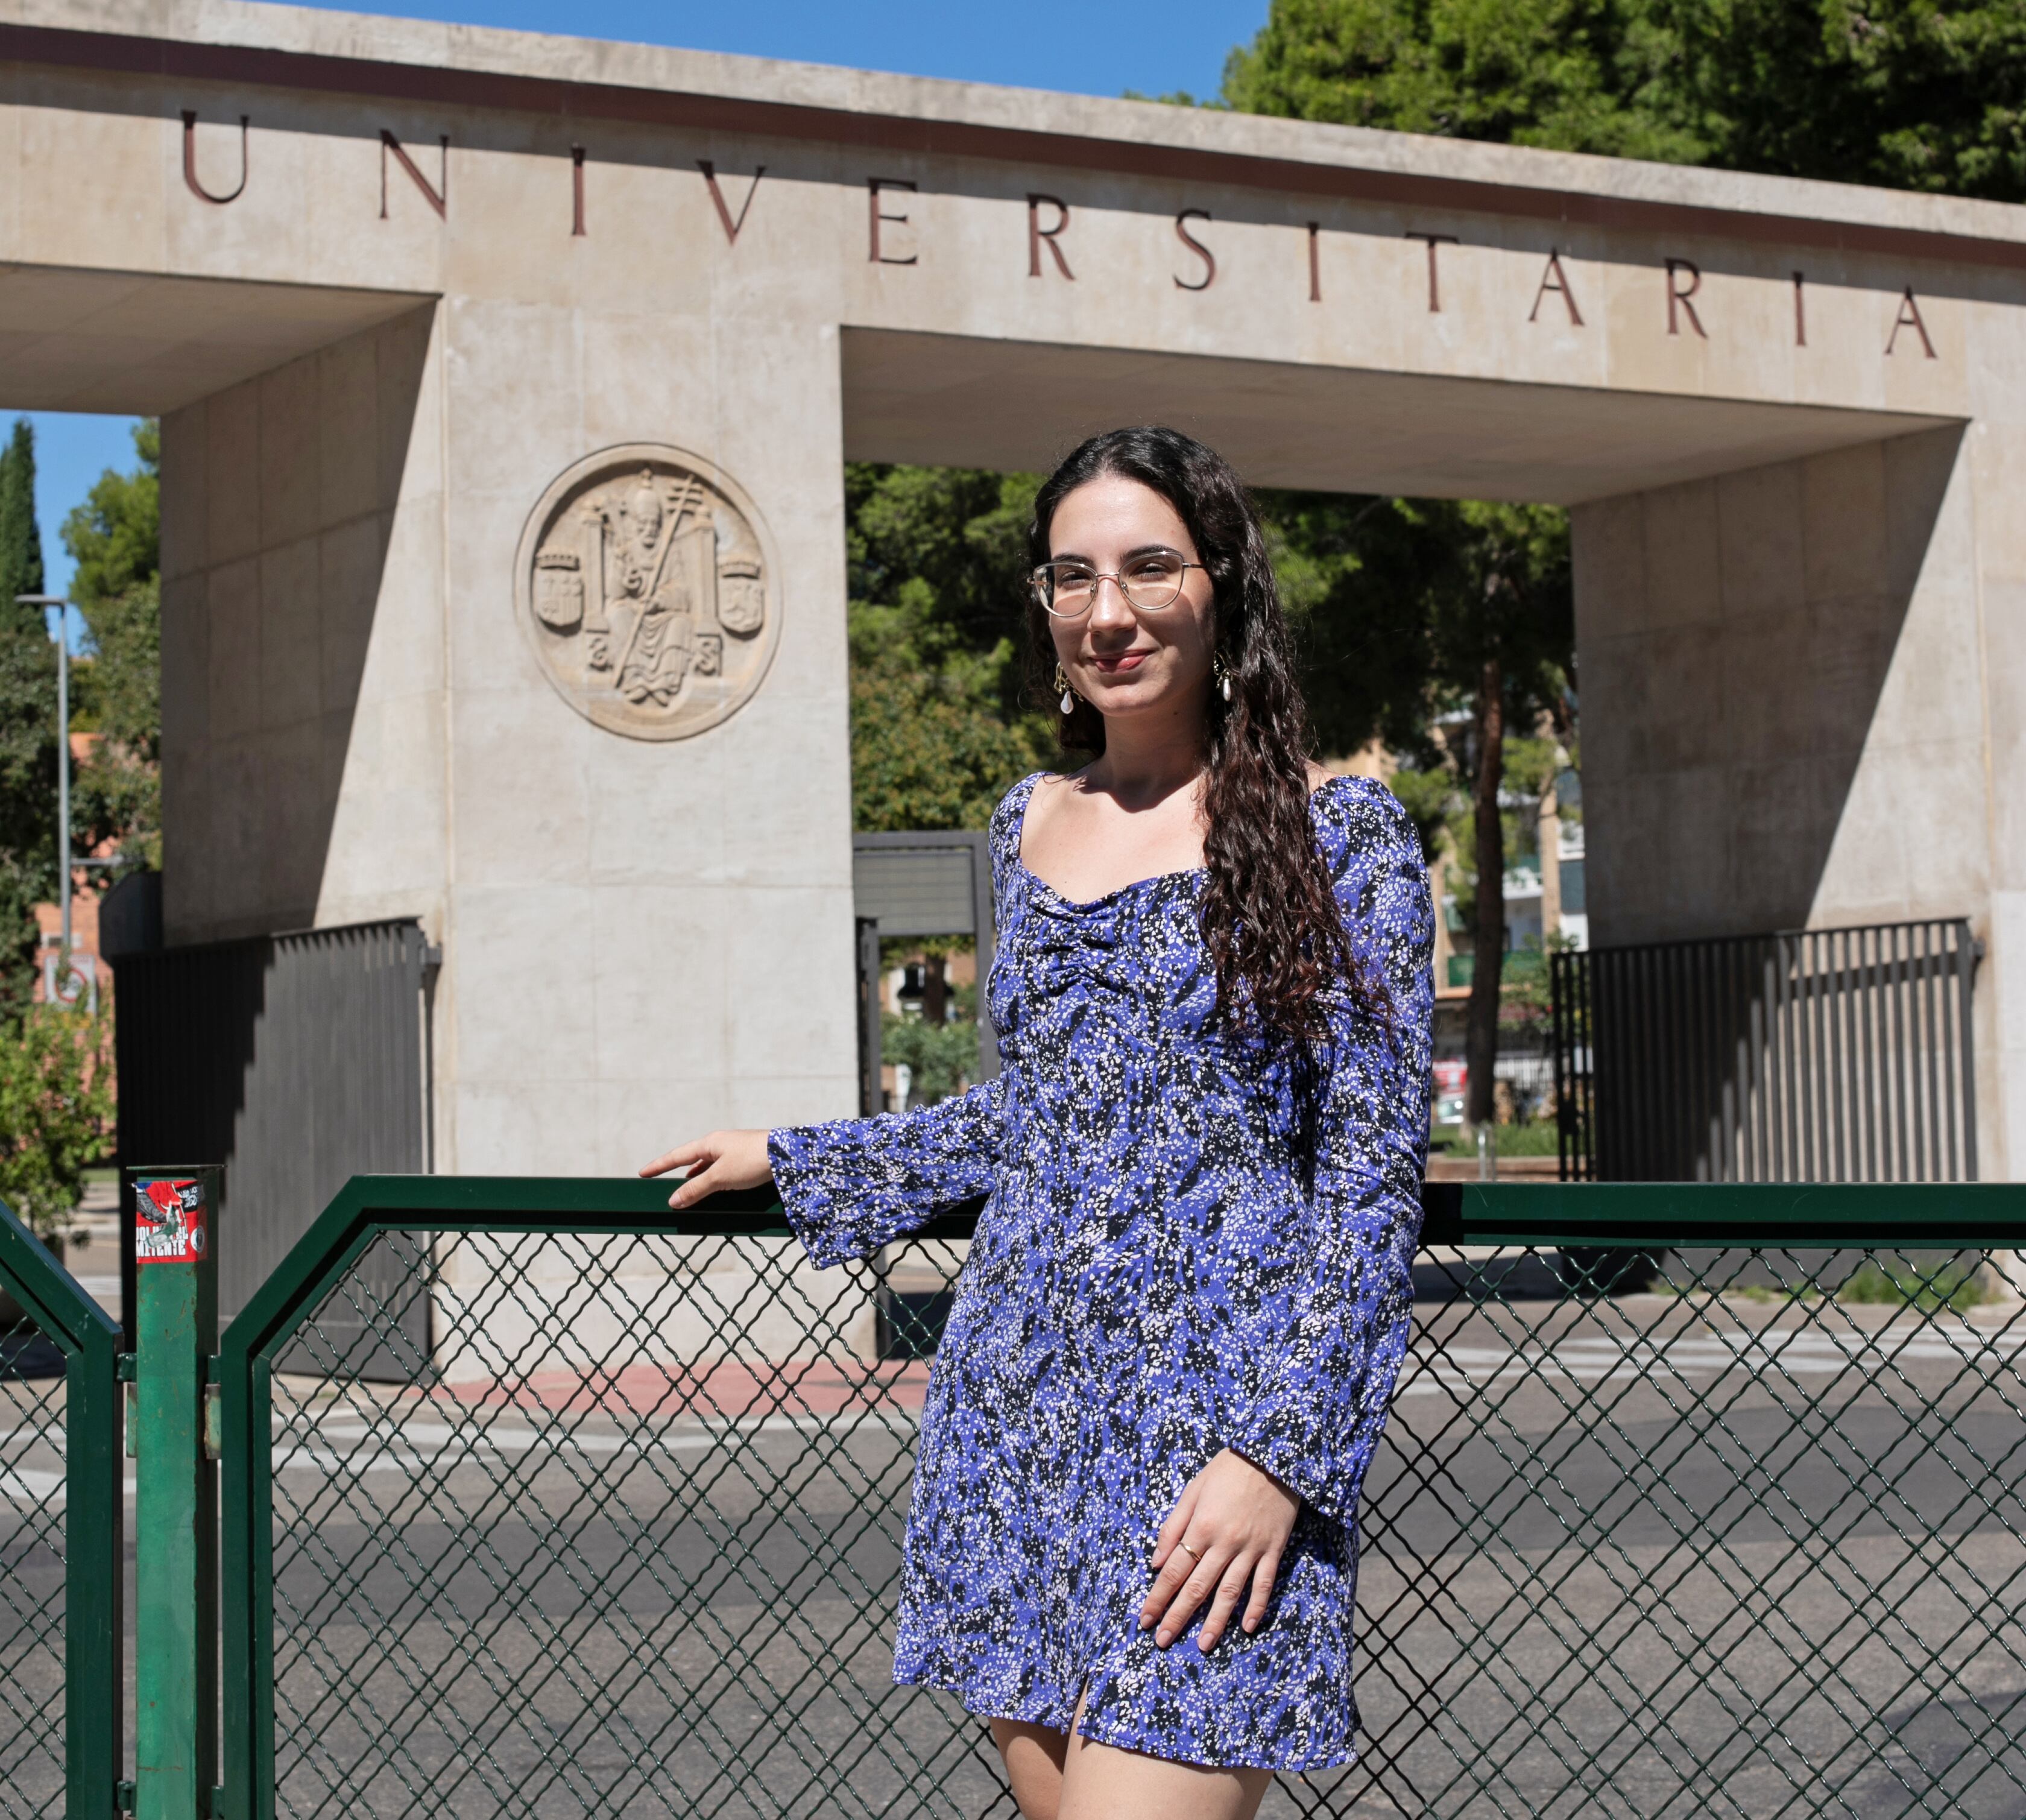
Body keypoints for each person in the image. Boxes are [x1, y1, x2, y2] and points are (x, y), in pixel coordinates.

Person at [642, 426, 1434, 1820]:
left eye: (1145, 570)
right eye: (1071, 578)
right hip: (1017, 1427)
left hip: (1216, 1446)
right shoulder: (1027, 821)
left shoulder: (1343, 830)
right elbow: (1051, 1113)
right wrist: (808, 1155)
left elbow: (1371, 1179)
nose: (1106, 613)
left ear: (1223, 587)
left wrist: (1278, 1461)